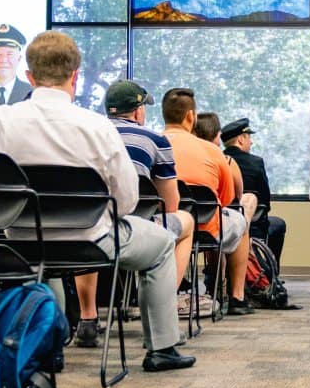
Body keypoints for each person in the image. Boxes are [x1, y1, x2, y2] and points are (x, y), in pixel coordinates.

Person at [0, 32, 195, 373]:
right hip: (92, 244)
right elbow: (127, 200)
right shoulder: (98, 128)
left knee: (46, 253)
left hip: (22, 243)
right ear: (75, 75)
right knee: (162, 244)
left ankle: (50, 344)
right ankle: (161, 348)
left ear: (28, 76)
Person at [101, 79, 197, 331]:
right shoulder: (155, 139)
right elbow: (170, 204)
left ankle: (88, 317)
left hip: (87, 227)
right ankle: (166, 304)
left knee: (92, 217)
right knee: (186, 223)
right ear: (137, 111)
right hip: (132, 228)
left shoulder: (89, 133)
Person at [161, 88, 254, 316]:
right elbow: (226, 200)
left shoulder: (153, 145)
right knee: (240, 222)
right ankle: (237, 297)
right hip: (206, 230)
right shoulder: (212, 151)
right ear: (191, 117)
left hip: (161, 226)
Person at [223, 117, 288, 264]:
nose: (251, 142)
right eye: (248, 138)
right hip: (253, 225)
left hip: (223, 224)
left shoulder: (219, 160)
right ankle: (271, 275)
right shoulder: (256, 162)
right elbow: (265, 200)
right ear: (240, 140)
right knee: (279, 224)